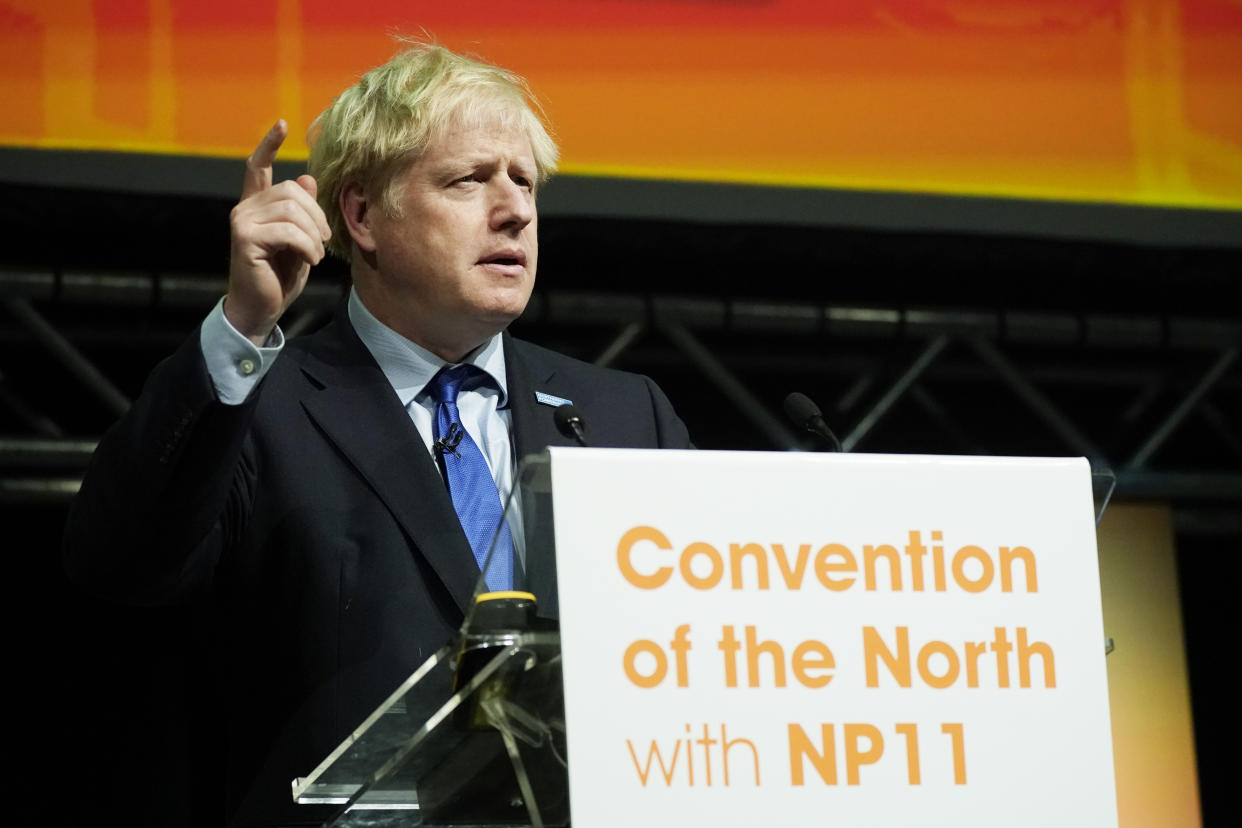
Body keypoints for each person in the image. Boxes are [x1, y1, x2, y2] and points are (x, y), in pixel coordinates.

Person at [64, 42, 690, 827]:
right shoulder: (261, 405)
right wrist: (244, 326)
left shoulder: (628, 414)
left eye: (524, 181)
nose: (516, 209)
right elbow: (120, 567)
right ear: (361, 215)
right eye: (470, 180)